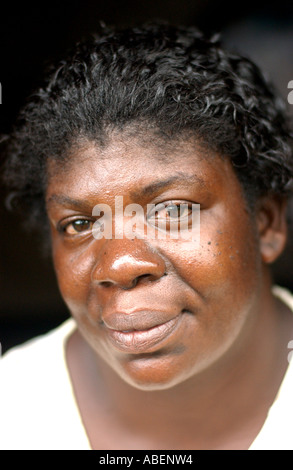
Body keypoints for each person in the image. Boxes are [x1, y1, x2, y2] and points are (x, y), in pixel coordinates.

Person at [0, 22, 293, 450]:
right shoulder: (13, 410)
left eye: (172, 210)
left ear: (265, 224)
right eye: (80, 224)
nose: (119, 266)